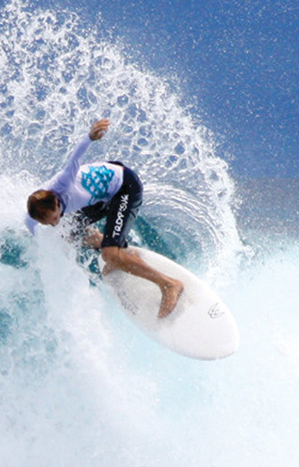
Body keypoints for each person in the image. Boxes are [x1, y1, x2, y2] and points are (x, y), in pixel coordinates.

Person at [25, 118, 183, 317]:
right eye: (48, 223)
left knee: (109, 255)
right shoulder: (32, 215)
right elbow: (33, 229)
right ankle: (118, 250)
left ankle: (169, 284)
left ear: (57, 202)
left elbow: (74, 159)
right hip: (99, 196)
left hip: (123, 187)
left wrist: (90, 137)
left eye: (55, 218)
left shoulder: (62, 184)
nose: (55, 223)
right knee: (69, 234)